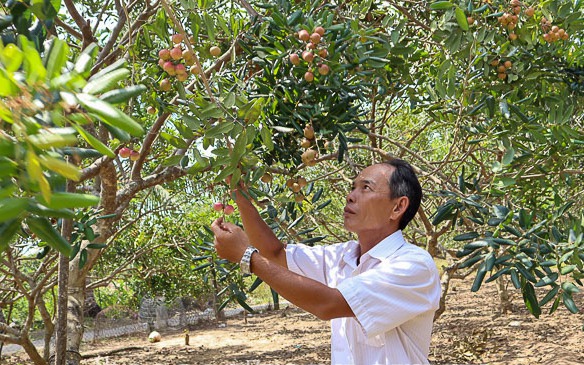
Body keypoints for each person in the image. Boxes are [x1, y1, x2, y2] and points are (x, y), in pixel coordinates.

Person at [210, 159, 441, 365]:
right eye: (353, 187)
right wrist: (238, 193)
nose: (351, 195)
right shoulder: (342, 256)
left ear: (398, 207)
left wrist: (247, 257)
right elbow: (275, 254)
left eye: (366, 188)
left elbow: (329, 304)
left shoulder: (414, 265)